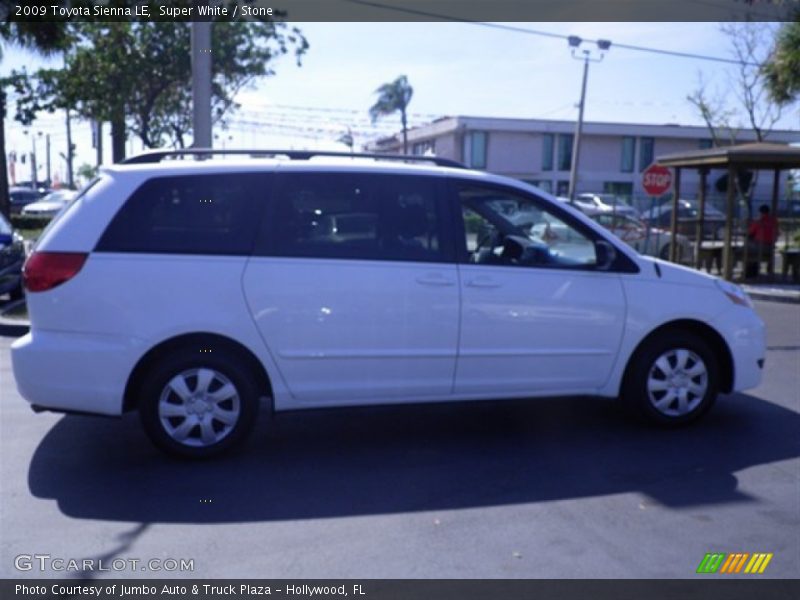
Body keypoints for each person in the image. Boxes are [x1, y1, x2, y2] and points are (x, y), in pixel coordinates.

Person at [746, 204, 780, 278]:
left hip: (759, 247)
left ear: (760, 212)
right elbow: (777, 233)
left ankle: (750, 272)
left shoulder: (759, 221)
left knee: (747, 249)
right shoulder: (774, 221)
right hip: (770, 247)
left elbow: (750, 232)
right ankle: (764, 270)